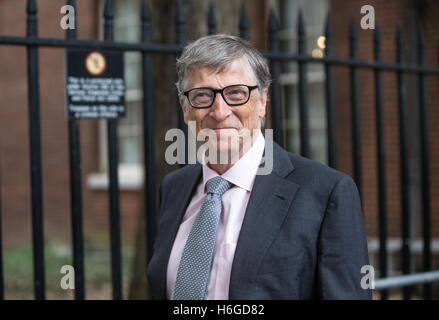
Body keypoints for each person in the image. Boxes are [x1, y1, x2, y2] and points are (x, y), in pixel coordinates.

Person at [147, 34, 371, 300]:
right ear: (186, 108)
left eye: (236, 93)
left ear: (262, 101)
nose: (220, 112)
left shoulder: (326, 192)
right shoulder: (174, 187)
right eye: (203, 95)